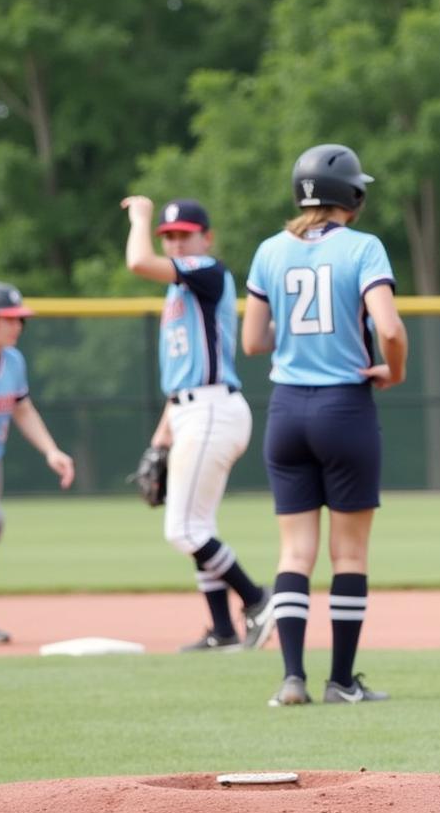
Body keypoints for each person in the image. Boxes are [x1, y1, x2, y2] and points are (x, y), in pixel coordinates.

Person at [242, 143, 407, 707]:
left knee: (294, 553)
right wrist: (395, 370)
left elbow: (252, 341)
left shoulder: (269, 251)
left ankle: (292, 678)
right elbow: (390, 328)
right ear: (352, 197)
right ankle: (341, 682)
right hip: (345, 408)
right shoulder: (364, 248)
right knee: (350, 555)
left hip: (286, 409)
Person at [122, 195, 275, 652]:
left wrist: (141, 217)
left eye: (183, 234)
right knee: (198, 524)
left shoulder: (207, 271)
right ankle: (222, 630)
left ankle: (258, 600)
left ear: (206, 237)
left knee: (184, 529)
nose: (175, 243)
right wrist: (160, 440)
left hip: (211, 408)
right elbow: (181, 374)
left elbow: (136, 262)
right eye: (168, 236)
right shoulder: (180, 291)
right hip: (190, 409)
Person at [0, 282, 75, 643]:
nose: (18, 326)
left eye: (20, 320)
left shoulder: (14, 361)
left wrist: (51, 450)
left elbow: (22, 408)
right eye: (9, 319)